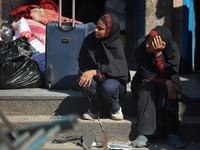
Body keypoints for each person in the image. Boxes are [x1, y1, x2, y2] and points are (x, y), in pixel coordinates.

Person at [130, 26, 186, 149]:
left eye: (151, 43)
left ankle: (172, 134)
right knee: (146, 90)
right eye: (147, 41)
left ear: (163, 44)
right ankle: (143, 133)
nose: (147, 45)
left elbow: (170, 73)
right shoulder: (140, 45)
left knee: (170, 91)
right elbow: (146, 74)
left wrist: (158, 54)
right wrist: (165, 82)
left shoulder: (173, 49)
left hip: (167, 78)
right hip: (145, 79)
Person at [77, 14, 130, 120]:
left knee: (108, 87)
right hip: (97, 80)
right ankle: (95, 109)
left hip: (114, 82)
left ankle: (115, 109)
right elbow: (83, 63)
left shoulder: (116, 44)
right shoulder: (90, 40)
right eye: (96, 27)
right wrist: (90, 72)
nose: (96, 30)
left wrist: (95, 72)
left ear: (110, 30)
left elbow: (118, 71)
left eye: (100, 29)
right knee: (85, 82)